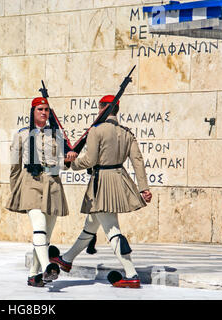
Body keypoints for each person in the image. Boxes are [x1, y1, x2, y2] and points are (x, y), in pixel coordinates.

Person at [50, 95, 152, 288]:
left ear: (103, 109)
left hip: (102, 183)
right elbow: (137, 161)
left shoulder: (96, 131)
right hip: (120, 180)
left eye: (99, 109)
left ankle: (131, 274)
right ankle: (67, 259)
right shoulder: (126, 132)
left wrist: (72, 163)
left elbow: (89, 160)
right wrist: (143, 188)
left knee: (112, 230)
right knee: (91, 225)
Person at [6, 97, 78, 287]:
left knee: (45, 236)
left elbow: (64, 164)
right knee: (39, 226)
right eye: (40, 109)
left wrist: (70, 159)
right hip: (31, 182)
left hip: (52, 184)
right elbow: (14, 166)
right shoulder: (22, 134)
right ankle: (48, 267)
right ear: (33, 111)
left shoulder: (57, 135)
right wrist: (15, 190)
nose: (44, 112)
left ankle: (33, 275)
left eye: (46, 109)